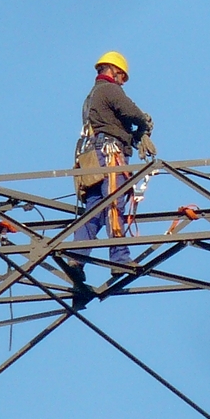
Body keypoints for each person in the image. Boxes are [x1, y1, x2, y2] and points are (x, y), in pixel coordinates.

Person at [73, 50, 155, 270]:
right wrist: (144, 122)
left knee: (95, 207)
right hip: (110, 153)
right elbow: (131, 111)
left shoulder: (92, 96)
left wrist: (134, 134)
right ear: (113, 71)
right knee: (114, 202)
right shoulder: (109, 89)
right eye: (121, 76)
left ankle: (76, 257)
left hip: (93, 156)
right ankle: (119, 258)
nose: (122, 82)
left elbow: (116, 120)